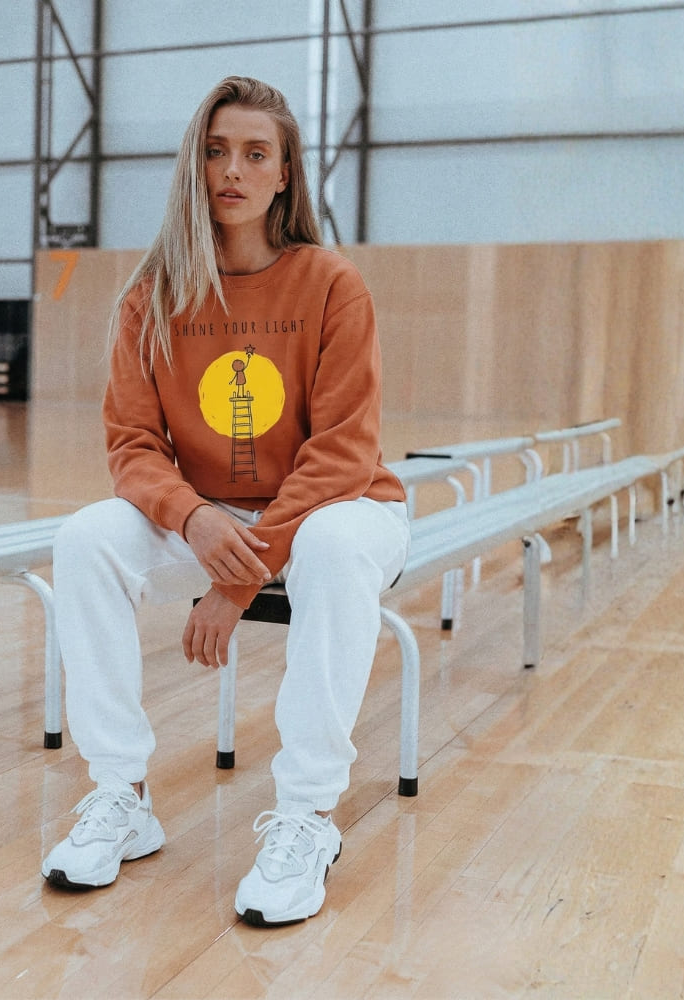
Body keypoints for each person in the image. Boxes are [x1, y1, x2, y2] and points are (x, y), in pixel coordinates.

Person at [42, 76, 410, 927]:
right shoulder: (153, 295)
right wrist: (194, 517)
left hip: (340, 509)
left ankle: (309, 816)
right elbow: (133, 448)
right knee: (87, 538)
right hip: (210, 518)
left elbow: (344, 451)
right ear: (192, 165)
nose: (231, 171)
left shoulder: (330, 283)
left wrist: (240, 580)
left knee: (332, 547)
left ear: (285, 174)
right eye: (215, 151)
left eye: (255, 154)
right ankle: (121, 796)